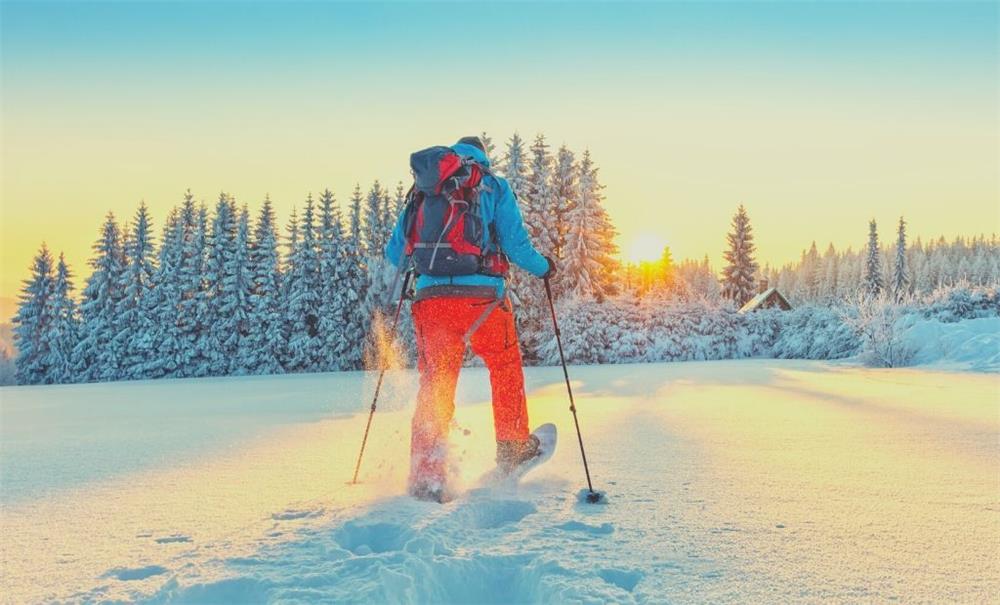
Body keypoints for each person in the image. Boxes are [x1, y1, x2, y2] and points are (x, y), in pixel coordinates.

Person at [384, 135, 554, 502]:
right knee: (504, 365)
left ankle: (427, 476)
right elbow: (515, 245)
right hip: (484, 301)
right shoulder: (492, 185)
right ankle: (512, 447)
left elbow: (395, 252)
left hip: (431, 303)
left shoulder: (423, 190)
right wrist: (545, 269)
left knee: (436, 383)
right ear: (483, 158)